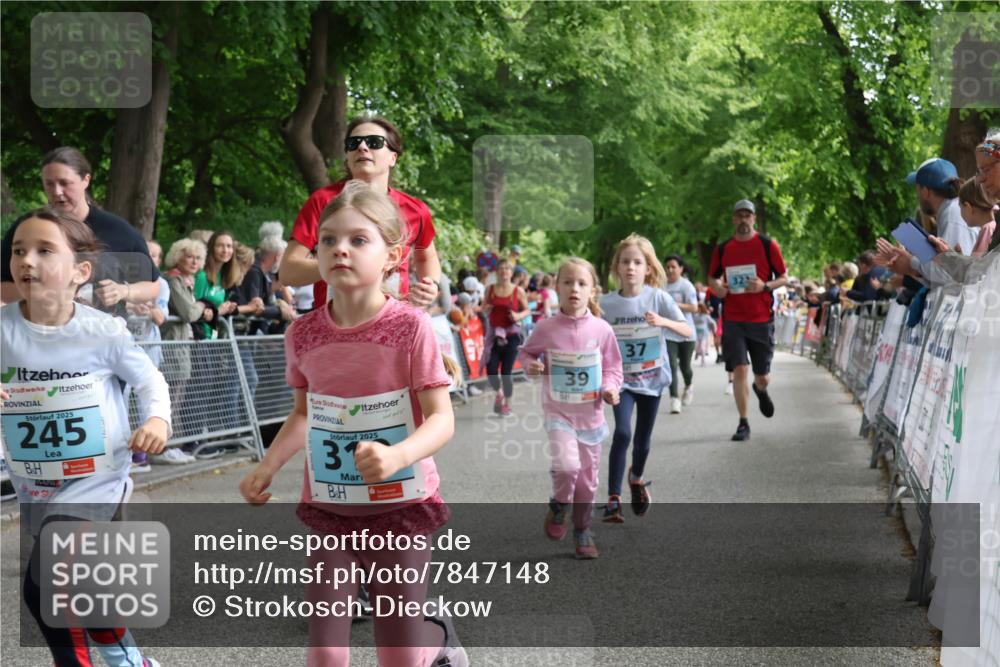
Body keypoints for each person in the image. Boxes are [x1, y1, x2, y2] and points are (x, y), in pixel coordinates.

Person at [238, 180, 466, 667]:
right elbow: (304, 413)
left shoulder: (410, 327)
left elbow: (442, 419)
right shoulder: (302, 334)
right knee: (324, 653)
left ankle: (437, 639)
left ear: (392, 256)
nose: (340, 248)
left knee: (399, 655)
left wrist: (397, 455)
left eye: (358, 239)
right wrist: (268, 466)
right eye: (328, 240)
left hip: (401, 506)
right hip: (331, 507)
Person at [1, 206, 169, 667]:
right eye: (19, 250)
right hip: (36, 481)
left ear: (81, 271)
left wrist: (157, 421)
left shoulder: (102, 330)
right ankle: (129, 660)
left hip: (97, 479)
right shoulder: (2, 329)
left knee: (46, 582)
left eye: (43, 250)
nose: (26, 261)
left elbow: (150, 380)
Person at [280, 116, 442, 309]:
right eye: (353, 143)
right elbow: (288, 271)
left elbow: (427, 257)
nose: (362, 147)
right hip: (334, 325)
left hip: (393, 325)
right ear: (347, 157)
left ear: (393, 157)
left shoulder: (416, 210)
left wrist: (432, 284)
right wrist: (341, 263)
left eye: (374, 142)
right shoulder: (323, 201)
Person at [520, 258, 623, 558]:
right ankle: (559, 505)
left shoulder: (602, 330)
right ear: (556, 287)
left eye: (581, 283)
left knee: (588, 483)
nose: (574, 289)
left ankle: (582, 529)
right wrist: (533, 366)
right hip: (559, 413)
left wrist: (610, 388)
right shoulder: (547, 328)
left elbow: (613, 369)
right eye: (567, 282)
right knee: (568, 467)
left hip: (591, 417)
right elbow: (526, 353)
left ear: (593, 290)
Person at [1, 147, 159, 315]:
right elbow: (3, 286)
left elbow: (153, 286)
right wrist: (49, 297)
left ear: (86, 180)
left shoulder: (119, 230)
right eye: (49, 184)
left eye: (64, 183)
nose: (57, 192)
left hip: (103, 336)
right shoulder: (27, 228)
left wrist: (123, 291)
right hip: (43, 335)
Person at [599, 235, 691, 522]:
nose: (630, 268)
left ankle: (636, 478)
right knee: (623, 432)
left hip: (652, 379)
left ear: (648, 268)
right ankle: (614, 499)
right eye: (625, 262)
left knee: (642, 440)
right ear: (617, 267)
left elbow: (687, 331)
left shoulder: (658, 298)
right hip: (621, 379)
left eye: (637, 262)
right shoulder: (606, 304)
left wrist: (663, 322)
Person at [708, 199, 789, 442]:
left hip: (761, 318)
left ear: (753, 218)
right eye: (739, 215)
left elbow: (783, 277)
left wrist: (765, 285)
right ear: (734, 219)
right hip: (733, 318)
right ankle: (743, 422)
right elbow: (712, 278)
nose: (743, 220)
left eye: (748, 215)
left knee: (761, 374)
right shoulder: (723, 249)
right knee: (740, 368)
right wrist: (718, 289)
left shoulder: (767, 245)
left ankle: (760, 388)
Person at [160, 238, 213, 452]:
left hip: (182, 344)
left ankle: (167, 445)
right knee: (170, 399)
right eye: (189, 256)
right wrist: (202, 304)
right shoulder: (174, 280)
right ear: (177, 257)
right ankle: (162, 447)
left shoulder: (186, 281)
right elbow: (189, 313)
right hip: (172, 345)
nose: (194, 261)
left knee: (177, 398)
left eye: (198, 258)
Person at [482, 258, 531, 417]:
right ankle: (500, 392)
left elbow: (527, 311)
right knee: (491, 370)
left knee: (506, 372)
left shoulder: (518, 291)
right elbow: (484, 308)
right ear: (496, 272)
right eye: (501, 269)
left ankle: (507, 405)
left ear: (511, 272)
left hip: (512, 336)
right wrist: (486, 308)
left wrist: (517, 315)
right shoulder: (490, 289)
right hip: (494, 336)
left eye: (507, 269)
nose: (504, 272)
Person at [663, 254, 699, 412]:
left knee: (685, 367)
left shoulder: (686, 286)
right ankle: (674, 399)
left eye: (673, 267)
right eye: (668, 267)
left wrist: (675, 305)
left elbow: (694, 307)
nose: (670, 270)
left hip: (686, 333)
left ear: (680, 269)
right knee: (671, 366)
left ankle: (689, 385)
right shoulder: (661, 286)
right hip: (668, 333)